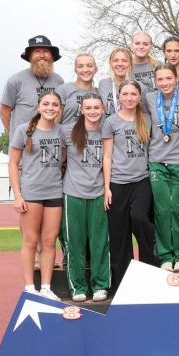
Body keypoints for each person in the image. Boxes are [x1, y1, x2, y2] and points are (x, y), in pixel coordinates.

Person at [9, 92, 64, 300]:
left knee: (49, 241)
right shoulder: (23, 131)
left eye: (55, 105)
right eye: (46, 104)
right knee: (31, 241)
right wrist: (17, 195)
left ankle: (46, 288)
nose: (51, 107)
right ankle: (30, 287)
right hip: (31, 193)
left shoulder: (61, 132)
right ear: (39, 107)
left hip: (54, 192)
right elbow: (13, 163)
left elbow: (64, 159)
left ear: (60, 109)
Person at [102, 80, 157, 290]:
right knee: (118, 233)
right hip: (117, 182)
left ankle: (150, 271)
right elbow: (107, 156)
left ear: (139, 96)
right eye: (125, 94)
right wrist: (107, 187)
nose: (129, 98)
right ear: (120, 97)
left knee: (140, 218)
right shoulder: (111, 122)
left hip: (141, 180)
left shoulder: (147, 120)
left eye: (133, 94)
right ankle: (121, 283)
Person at [61, 92, 110, 302]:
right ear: (81, 110)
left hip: (98, 193)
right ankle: (77, 287)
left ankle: (100, 286)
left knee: (100, 243)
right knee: (75, 244)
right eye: (88, 108)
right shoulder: (67, 132)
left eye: (96, 108)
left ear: (103, 109)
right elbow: (59, 159)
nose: (92, 112)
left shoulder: (107, 132)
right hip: (73, 193)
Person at [145, 64, 179, 271]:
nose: (164, 83)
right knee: (162, 210)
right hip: (157, 159)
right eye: (160, 79)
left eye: (168, 78)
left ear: (176, 79)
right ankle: (165, 256)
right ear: (156, 82)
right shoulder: (148, 99)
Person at [1, 35, 65, 134]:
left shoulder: (59, 81)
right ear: (30, 57)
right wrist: (15, 135)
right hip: (24, 144)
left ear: (52, 56)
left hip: (49, 142)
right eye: (37, 51)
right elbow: (4, 111)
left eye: (46, 51)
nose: (42, 55)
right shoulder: (16, 80)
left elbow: (60, 111)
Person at [56, 53, 98, 127]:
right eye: (80, 66)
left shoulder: (99, 93)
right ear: (75, 70)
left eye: (89, 66)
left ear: (96, 69)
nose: (85, 70)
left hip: (92, 137)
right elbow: (54, 123)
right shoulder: (64, 90)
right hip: (67, 137)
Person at [98, 47, 132, 116]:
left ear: (130, 64)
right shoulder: (103, 84)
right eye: (115, 60)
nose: (120, 64)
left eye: (124, 61)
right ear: (110, 63)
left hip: (128, 126)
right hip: (106, 126)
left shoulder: (135, 85)